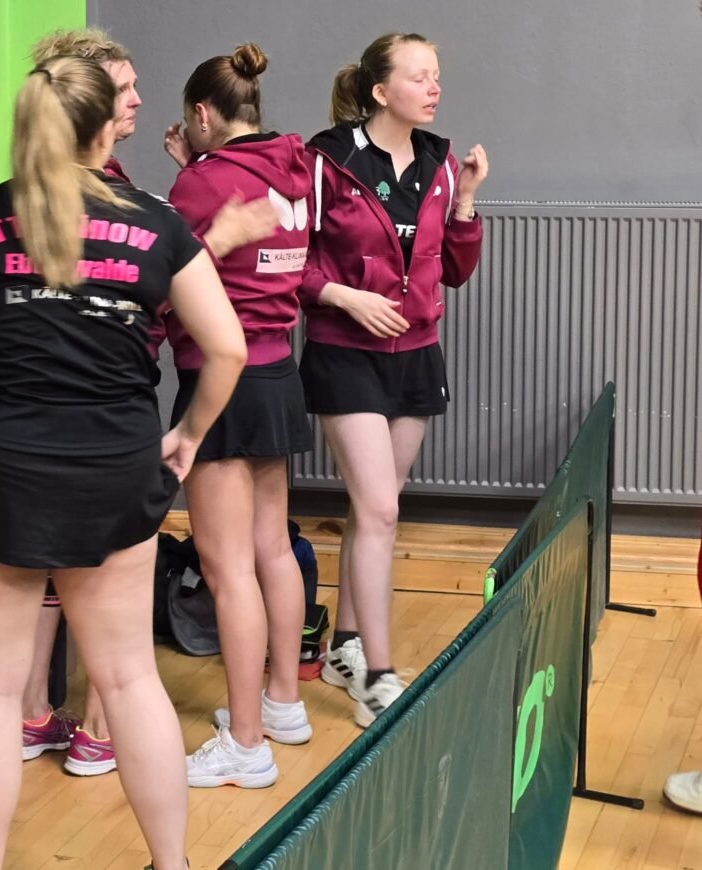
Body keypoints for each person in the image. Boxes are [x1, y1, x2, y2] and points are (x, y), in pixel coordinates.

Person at [0, 56, 246, 870]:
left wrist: (21, 409)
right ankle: (171, 864)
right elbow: (227, 348)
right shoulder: (154, 221)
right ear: (107, 129)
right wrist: (188, 436)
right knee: (131, 679)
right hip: (113, 463)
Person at [20, 27, 277, 777]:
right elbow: (131, 302)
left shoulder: (29, 191)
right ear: (86, 99)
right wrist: (215, 239)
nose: (138, 97)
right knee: (109, 571)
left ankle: (33, 715)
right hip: (110, 412)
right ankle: (100, 732)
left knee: (51, 567)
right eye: (125, 87)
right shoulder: (117, 198)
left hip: (39, 419)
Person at [300, 33, 488, 726]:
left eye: (436, 75)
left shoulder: (441, 162)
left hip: (417, 353)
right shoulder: (327, 160)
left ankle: (345, 646)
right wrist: (345, 298)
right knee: (380, 510)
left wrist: (466, 203)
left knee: (372, 509)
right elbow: (293, 262)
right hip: (345, 351)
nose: (434, 87)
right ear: (381, 91)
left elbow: (455, 270)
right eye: (418, 77)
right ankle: (380, 677)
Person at [161, 43, 313, 789]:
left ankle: (246, 745)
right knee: (272, 548)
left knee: (227, 571)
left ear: (200, 113)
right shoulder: (296, 168)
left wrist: (188, 173)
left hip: (218, 379)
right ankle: (283, 703)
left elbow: (172, 277)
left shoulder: (200, 183)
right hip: (278, 369)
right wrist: (193, 164)